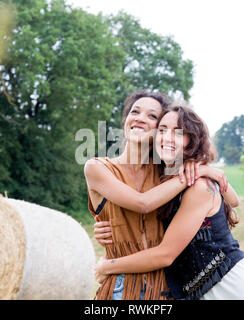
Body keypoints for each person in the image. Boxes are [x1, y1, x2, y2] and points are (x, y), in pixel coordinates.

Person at [94, 103, 244, 300]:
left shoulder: (198, 187)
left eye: (178, 133)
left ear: (191, 141)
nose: (167, 137)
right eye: (162, 130)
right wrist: (107, 227)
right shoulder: (166, 182)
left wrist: (108, 266)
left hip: (239, 290)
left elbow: (165, 254)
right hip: (205, 292)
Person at [84, 91, 233, 300]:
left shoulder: (166, 172)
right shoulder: (98, 168)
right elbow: (141, 204)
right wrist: (199, 172)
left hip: (169, 289)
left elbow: (233, 200)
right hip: (121, 286)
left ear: (160, 130)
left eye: (152, 116)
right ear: (125, 120)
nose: (140, 118)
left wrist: (205, 169)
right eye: (135, 111)